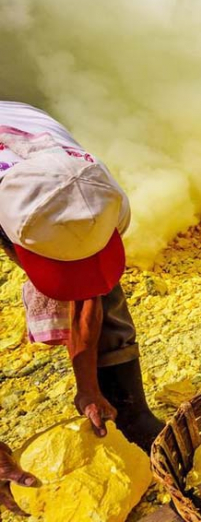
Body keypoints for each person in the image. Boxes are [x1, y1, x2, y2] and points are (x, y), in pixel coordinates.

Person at [0, 101, 163, 511]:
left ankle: (130, 409)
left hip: (33, 154)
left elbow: (90, 293)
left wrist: (88, 387)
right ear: (16, 246)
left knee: (101, 287)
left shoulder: (95, 187)